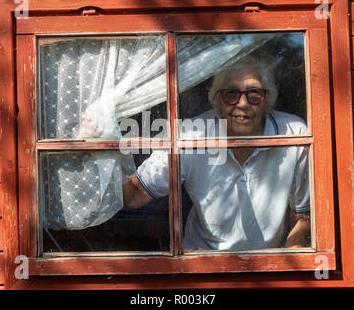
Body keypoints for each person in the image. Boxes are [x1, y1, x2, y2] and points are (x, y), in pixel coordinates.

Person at [123, 59, 311, 251]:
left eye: (254, 93)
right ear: (217, 100)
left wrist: (291, 260)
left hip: (269, 265)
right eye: (231, 94)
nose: (243, 104)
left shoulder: (294, 134)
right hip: (203, 262)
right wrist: (99, 153)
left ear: (267, 99)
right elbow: (135, 194)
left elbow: (301, 217)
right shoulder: (190, 135)